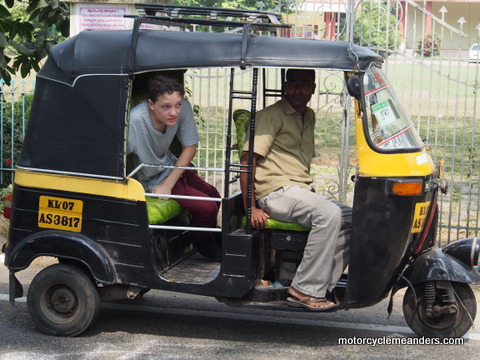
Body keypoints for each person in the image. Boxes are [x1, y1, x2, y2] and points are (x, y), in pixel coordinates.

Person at [240, 69, 350, 311]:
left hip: (298, 191)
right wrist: (252, 207)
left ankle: (320, 284)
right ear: (285, 87)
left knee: (355, 219)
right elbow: (248, 161)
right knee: (328, 214)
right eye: (293, 84)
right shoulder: (271, 116)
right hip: (274, 193)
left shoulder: (308, 115)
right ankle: (303, 289)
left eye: (304, 85)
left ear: (312, 88)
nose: (298, 90)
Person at [128, 73, 221, 261]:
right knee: (207, 208)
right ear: (151, 105)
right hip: (150, 177)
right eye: (166, 107)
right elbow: (118, 154)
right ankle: (202, 242)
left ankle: (205, 235)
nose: (174, 113)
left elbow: (190, 147)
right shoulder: (136, 120)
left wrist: (170, 182)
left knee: (215, 196)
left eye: (177, 105)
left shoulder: (182, 108)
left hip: (171, 168)